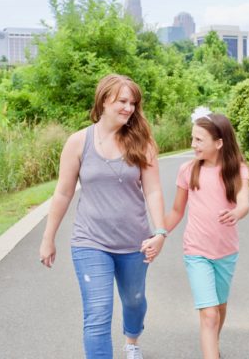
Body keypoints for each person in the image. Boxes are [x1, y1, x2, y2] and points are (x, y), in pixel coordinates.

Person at [39, 74, 167, 359]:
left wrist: (160, 232)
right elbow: (63, 193)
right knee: (97, 313)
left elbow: (154, 191)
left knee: (134, 302)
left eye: (132, 102)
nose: (128, 108)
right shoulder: (78, 142)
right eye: (122, 101)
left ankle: (132, 343)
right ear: (104, 100)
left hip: (136, 242)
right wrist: (48, 238)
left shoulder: (142, 142)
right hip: (90, 241)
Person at [144, 107, 249, 359]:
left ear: (219, 142)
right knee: (209, 313)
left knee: (220, 307)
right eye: (192, 138)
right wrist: (159, 234)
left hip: (226, 252)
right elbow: (177, 211)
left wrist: (237, 213)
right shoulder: (188, 170)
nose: (193, 144)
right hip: (196, 252)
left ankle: (212, 342)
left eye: (199, 140)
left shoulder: (237, 170)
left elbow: (244, 202)